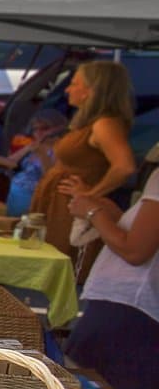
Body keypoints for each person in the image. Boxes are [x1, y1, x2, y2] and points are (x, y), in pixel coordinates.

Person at [64, 169, 159, 389]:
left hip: (129, 305)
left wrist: (92, 213)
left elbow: (135, 251)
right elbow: (141, 234)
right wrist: (105, 211)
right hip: (131, 305)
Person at [30, 62, 139, 255]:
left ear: (91, 89)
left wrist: (90, 196)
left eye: (74, 84)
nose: (68, 90)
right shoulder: (92, 122)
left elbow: (125, 166)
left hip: (73, 210)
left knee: (64, 262)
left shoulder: (105, 123)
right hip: (61, 204)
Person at [0, 108, 67, 216]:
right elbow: (9, 163)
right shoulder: (34, 145)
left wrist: (42, 155)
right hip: (11, 188)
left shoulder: (61, 149)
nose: (39, 132)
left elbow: (51, 178)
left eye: (45, 128)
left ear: (58, 128)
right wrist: (27, 149)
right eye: (35, 129)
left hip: (31, 195)